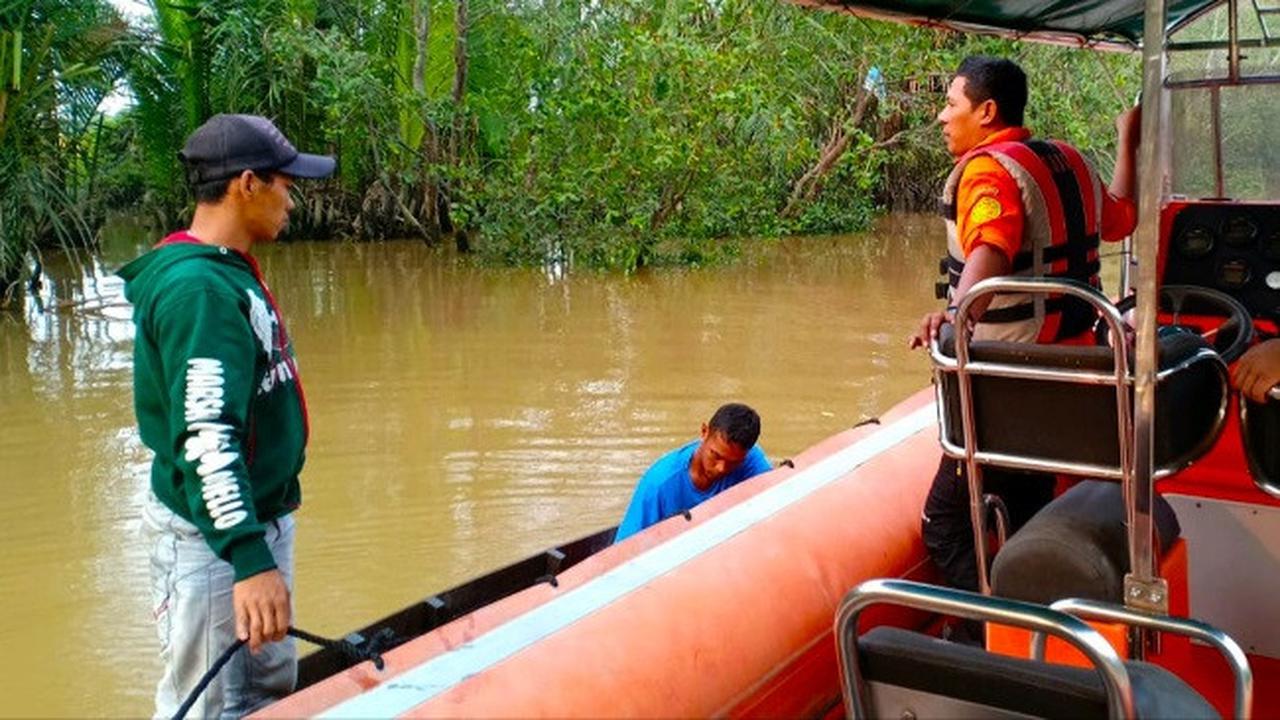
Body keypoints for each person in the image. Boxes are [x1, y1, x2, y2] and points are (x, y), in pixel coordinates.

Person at [119, 114, 335, 718]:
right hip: (213, 543)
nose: (292, 197)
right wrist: (248, 558)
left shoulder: (223, 267)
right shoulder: (201, 292)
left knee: (264, 692)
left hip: (253, 521)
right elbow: (208, 439)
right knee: (211, 705)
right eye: (284, 183)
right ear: (247, 184)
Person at [908, 57, 1141, 601]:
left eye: (951, 104)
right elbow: (1122, 219)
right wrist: (1125, 142)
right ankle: (1036, 613)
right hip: (1072, 374)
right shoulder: (1072, 161)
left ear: (986, 112)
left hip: (1010, 383)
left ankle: (989, 631)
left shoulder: (987, 170)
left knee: (944, 523)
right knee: (1028, 502)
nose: (942, 118)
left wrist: (954, 311)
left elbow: (992, 243)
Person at [614, 403, 771, 543]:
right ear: (704, 432)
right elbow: (624, 548)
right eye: (715, 456)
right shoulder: (659, 484)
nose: (721, 468)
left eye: (733, 463)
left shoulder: (750, 459)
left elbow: (773, 495)